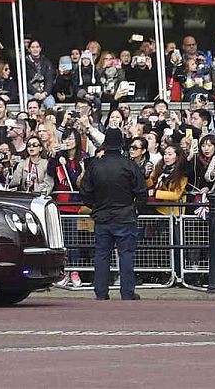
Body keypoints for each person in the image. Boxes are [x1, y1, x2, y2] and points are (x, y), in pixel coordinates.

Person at [78, 127, 147, 301]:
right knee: (126, 255)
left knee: (101, 255)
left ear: (105, 144)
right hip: (125, 215)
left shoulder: (95, 165)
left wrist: (95, 207)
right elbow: (141, 192)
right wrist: (135, 209)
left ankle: (101, 292)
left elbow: (85, 191)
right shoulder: (129, 165)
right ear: (121, 144)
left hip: (102, 216)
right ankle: (127, 292)